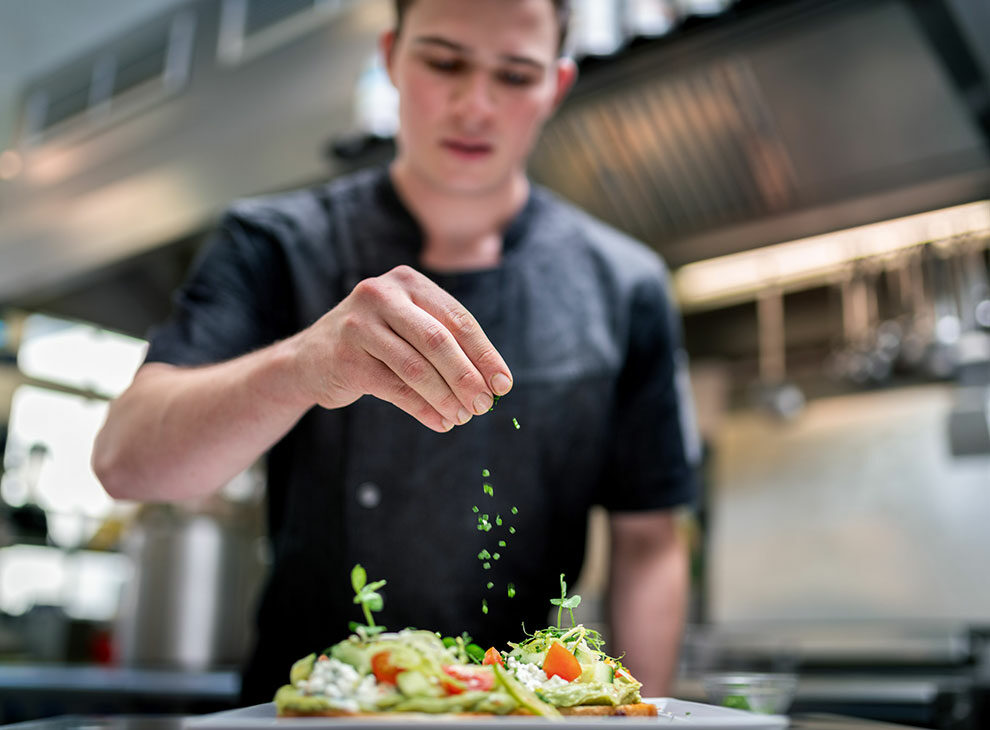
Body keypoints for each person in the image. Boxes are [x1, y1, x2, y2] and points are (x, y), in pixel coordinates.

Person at [92, 0, 698, 704]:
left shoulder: (627, 286)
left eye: (515, 75)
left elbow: (650, 539)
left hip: (515, 711)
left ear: (555, 87)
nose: (475, 105)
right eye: (444, 61)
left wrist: (640, 712)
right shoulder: (273, 244)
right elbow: (124, 460)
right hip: (313, 710)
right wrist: (301, 368)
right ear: (391, 58)